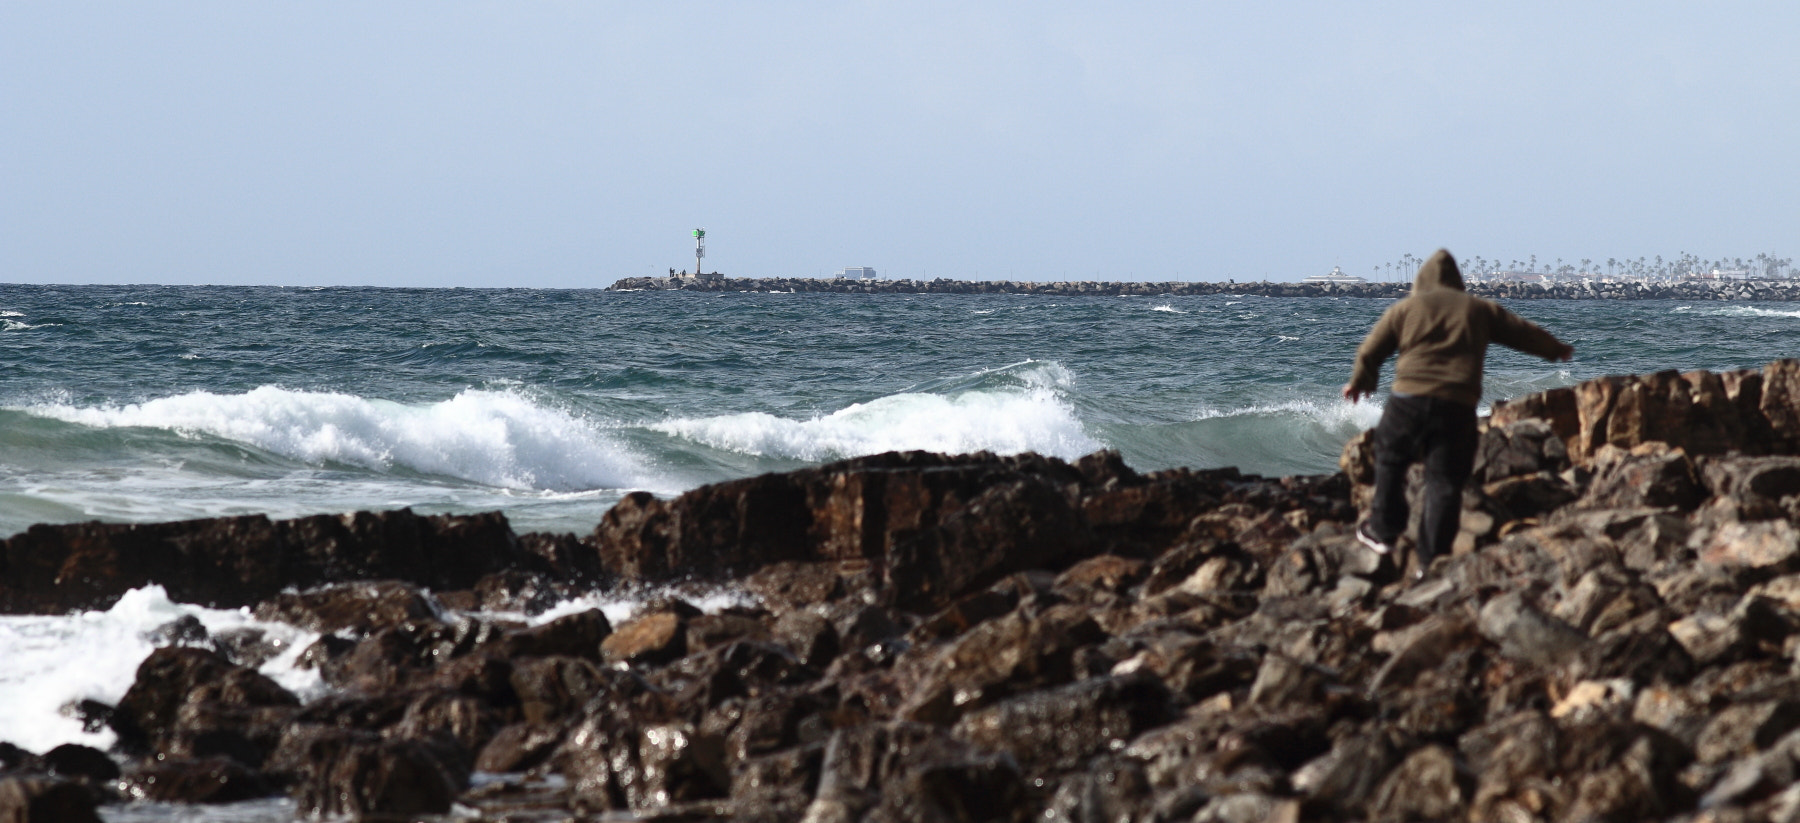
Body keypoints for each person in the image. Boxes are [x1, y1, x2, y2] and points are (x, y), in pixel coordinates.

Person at [1342, 249, 1573, 578]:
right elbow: (1522, 332)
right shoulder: (1478, 309)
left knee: (1390, 456)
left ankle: (1383, 528)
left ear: (1422, 280)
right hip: (1457, 403)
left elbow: (1371, 350)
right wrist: (1556, 349)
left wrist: (1360, 383)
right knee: (1444, 480)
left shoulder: (1405, 308)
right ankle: (1430, 560)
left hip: (1409, 397)